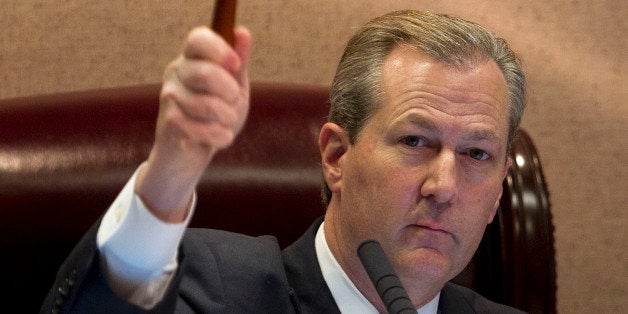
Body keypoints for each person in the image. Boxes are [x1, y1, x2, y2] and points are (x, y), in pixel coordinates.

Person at [42, 10, 526, 313]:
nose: (443, 186)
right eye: (416, 142)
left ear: (498, 190)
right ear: (336, 156)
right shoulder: (207, 287)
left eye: (476, 154)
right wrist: (171, 173)